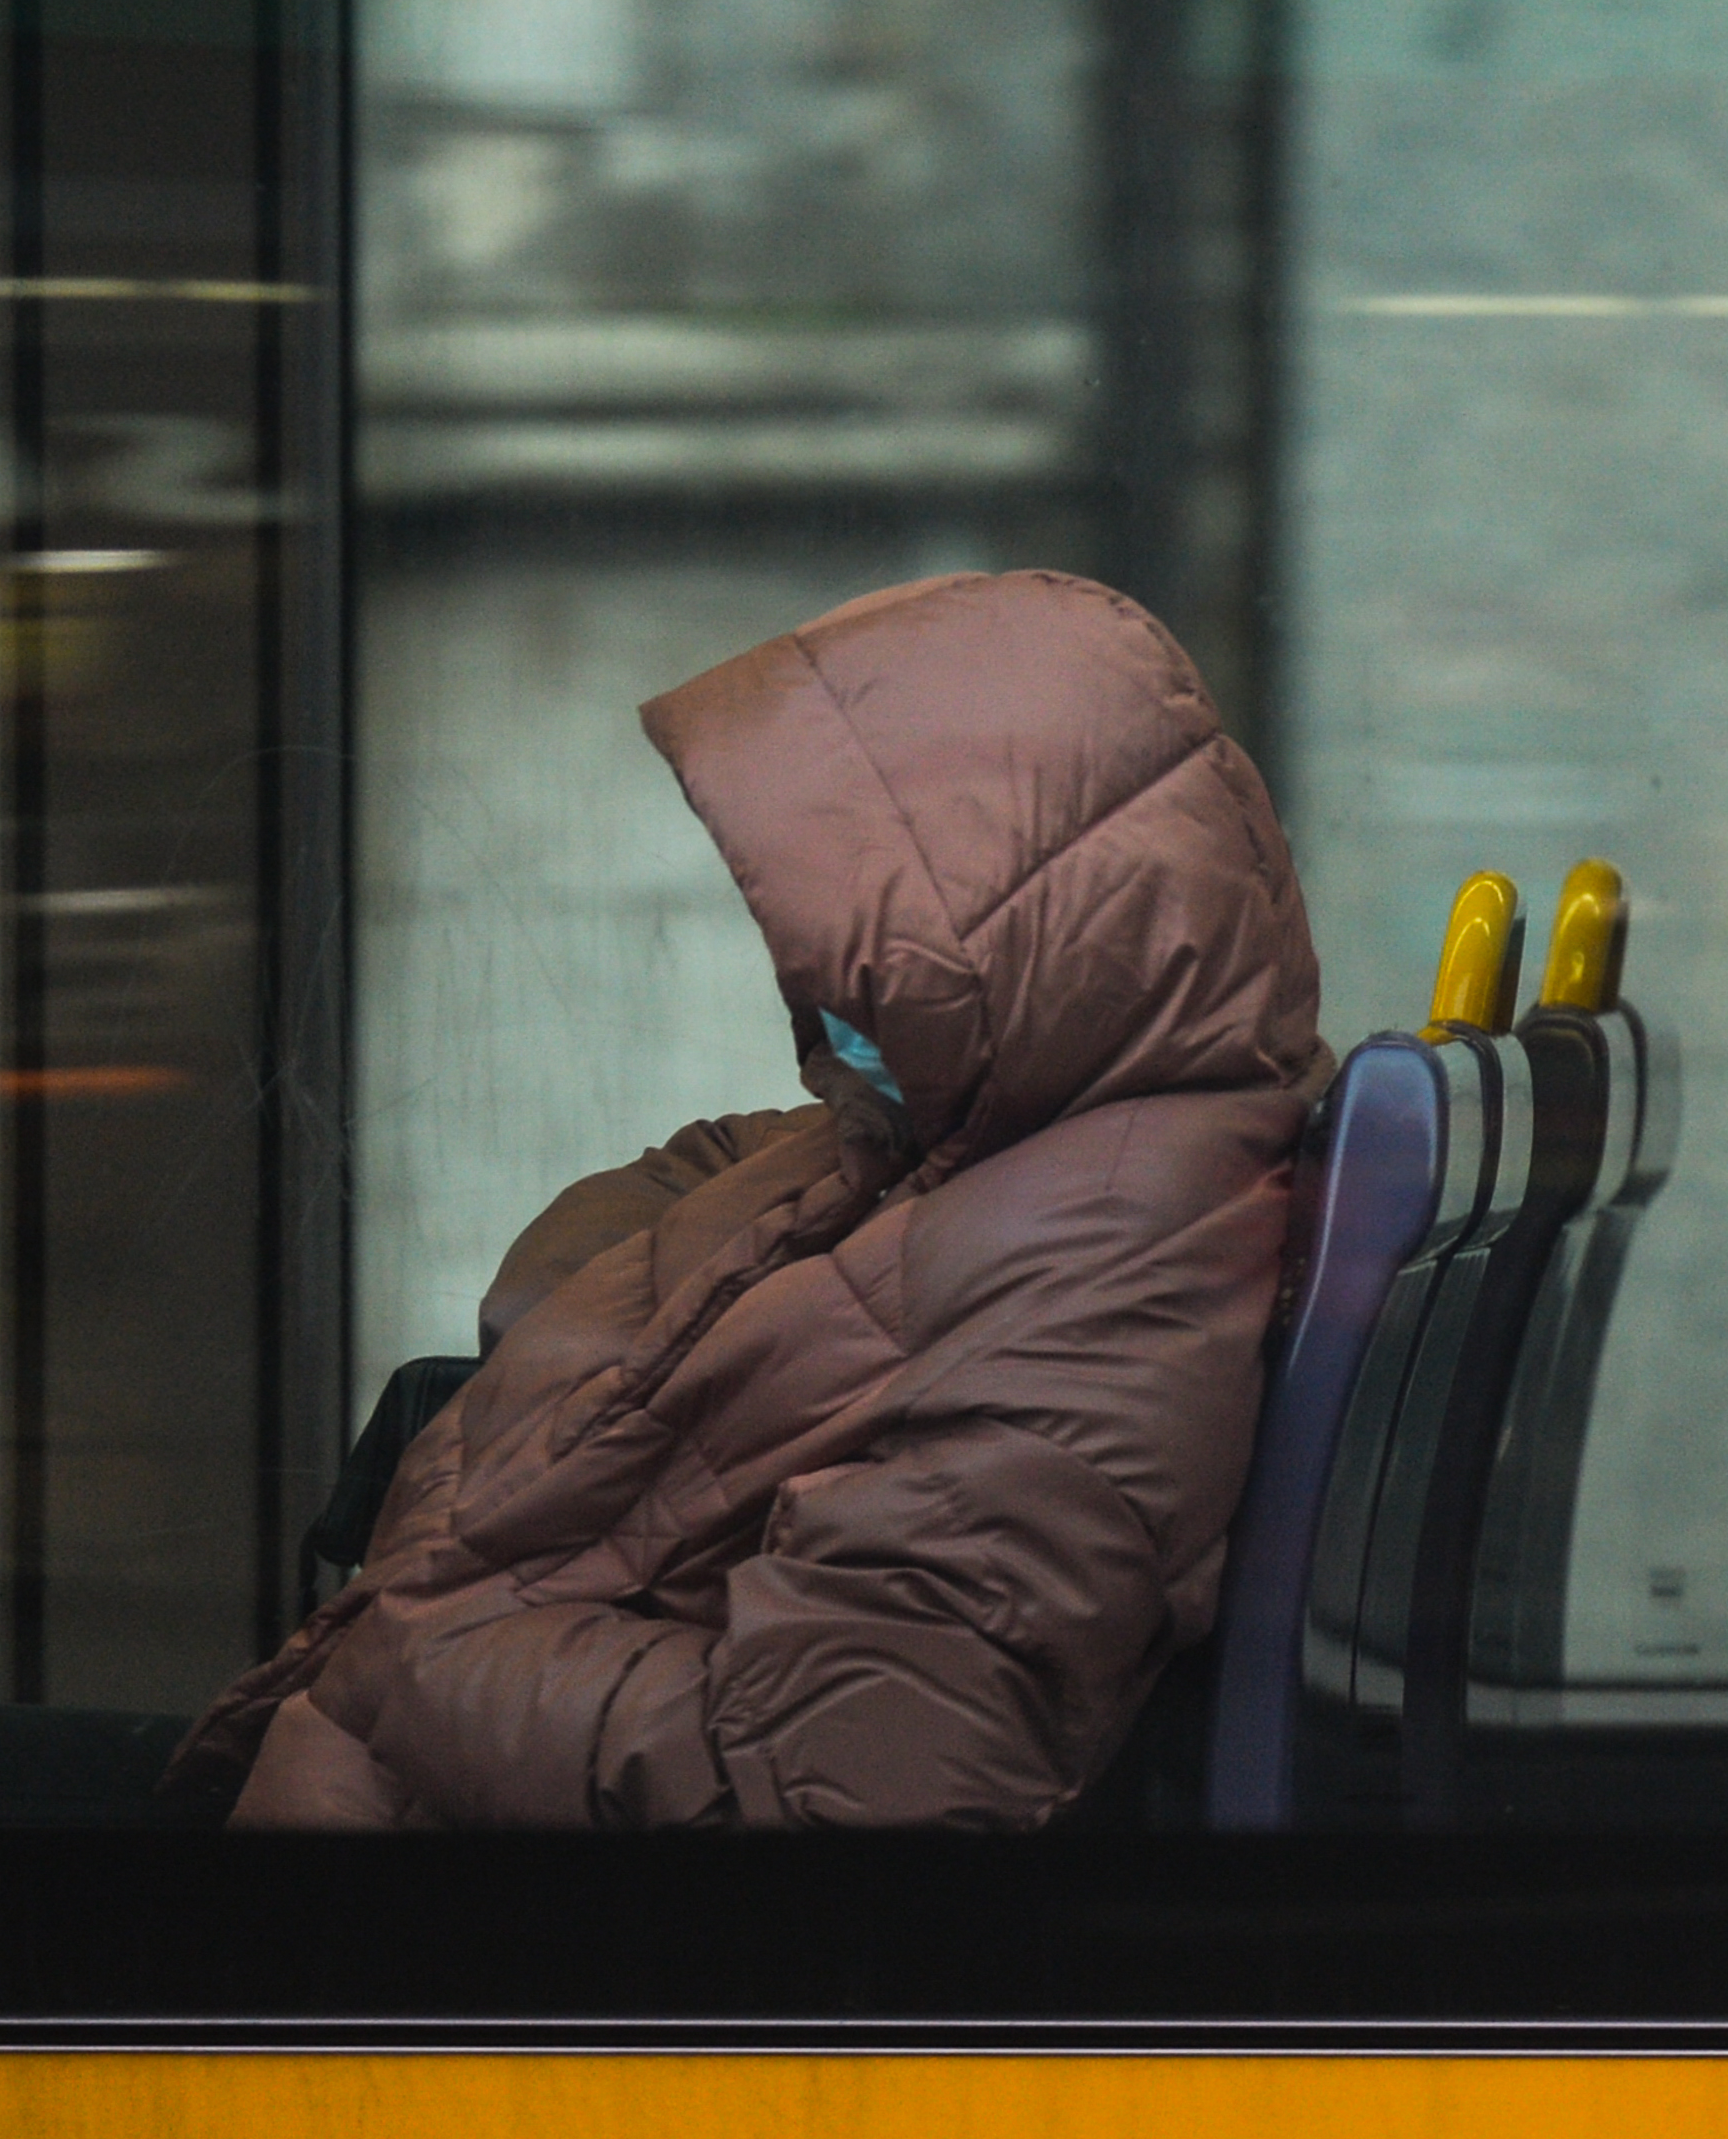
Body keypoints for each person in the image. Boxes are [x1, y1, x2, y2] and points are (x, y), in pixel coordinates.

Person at [170, 569, 1328, 1828]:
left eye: (859, 936)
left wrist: (416, 1667)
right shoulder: (1006, 1142)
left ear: (1007, 935)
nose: (816, 983)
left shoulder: (1100, 1269)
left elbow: (844, 1789)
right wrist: (613, 1369)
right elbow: (710, 1167)